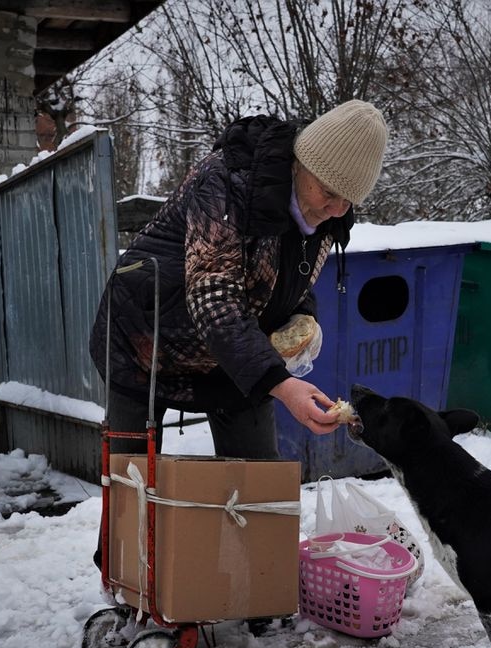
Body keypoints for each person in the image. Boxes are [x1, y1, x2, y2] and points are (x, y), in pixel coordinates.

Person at [88, 99, 389, 464]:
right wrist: (281, 384)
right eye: (328, 192)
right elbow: (214, 296)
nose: (336, 209)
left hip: (232, 360)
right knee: (132, 489)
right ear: (299, 164)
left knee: (258, 488)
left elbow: (288, 282)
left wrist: (302, 318)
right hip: (143, 345)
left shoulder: (329, 216)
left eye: (349, 200)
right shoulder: (227, 183)